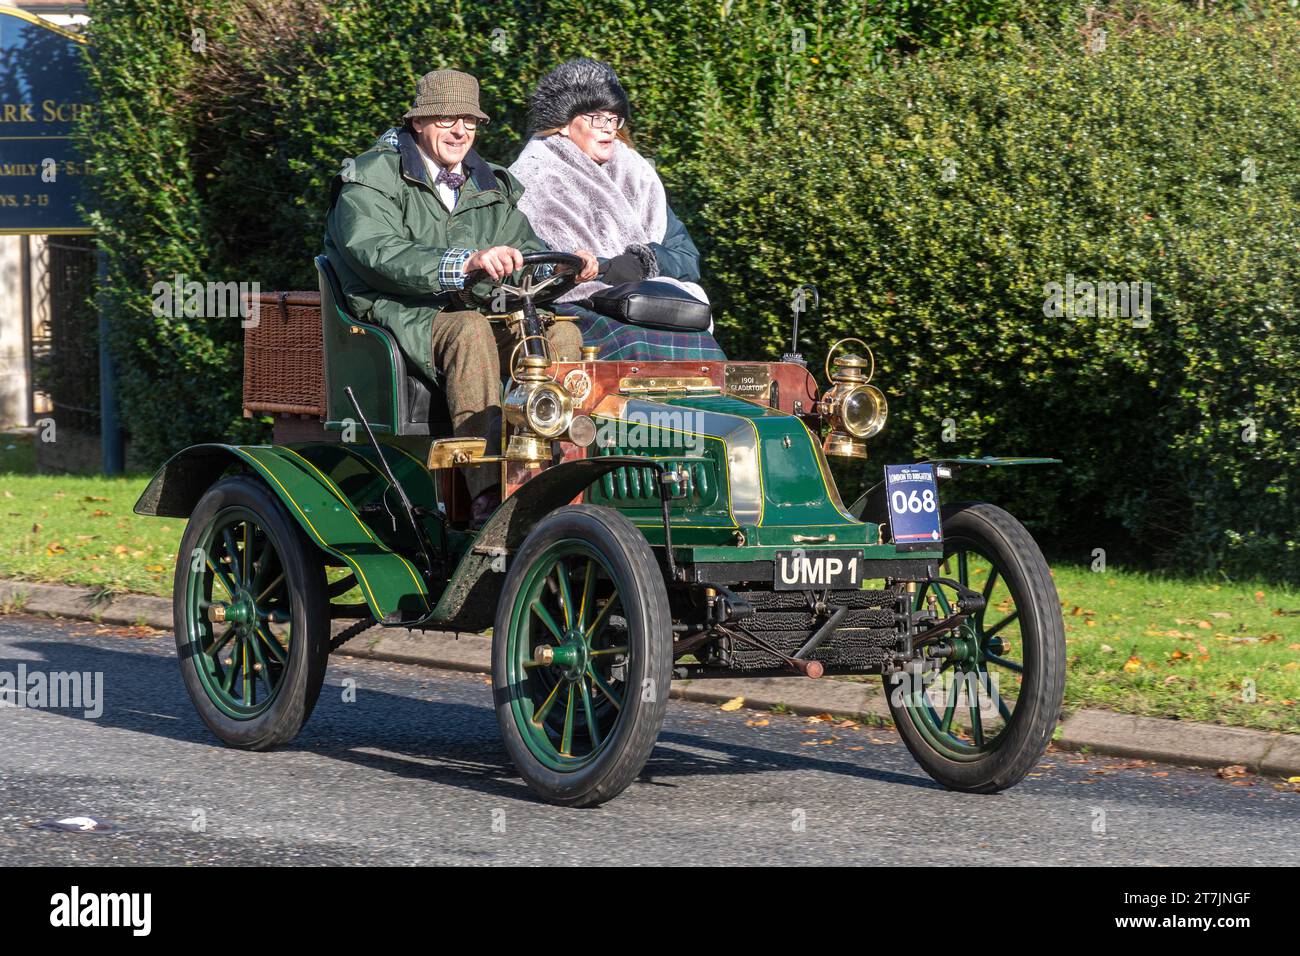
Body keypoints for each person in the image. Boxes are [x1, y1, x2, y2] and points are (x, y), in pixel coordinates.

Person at [324, 69, 598, 525]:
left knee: (563, 336)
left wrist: (568, 264)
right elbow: (374, 252)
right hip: (395, 312)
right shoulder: (369, 177)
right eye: (448, 119)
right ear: (418, 122)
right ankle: (485, 494)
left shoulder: (487, 182)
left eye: (470, 121)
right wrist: (466, 262)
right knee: (470, 331)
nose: (461, 132)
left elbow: (525, 248)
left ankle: (559, 482)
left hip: (478, 310)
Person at [509, 58, 726, 361]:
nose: (609, 129)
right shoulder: (532, 179)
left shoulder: (638, 175)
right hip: (575, 307)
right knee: (635, 346)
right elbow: (529, 265)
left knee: (706, 352)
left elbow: (688, 259)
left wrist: (643, 261)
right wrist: (599, 268)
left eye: (614, 119)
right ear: (564, 123)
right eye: (597, 118)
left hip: (646, 303)